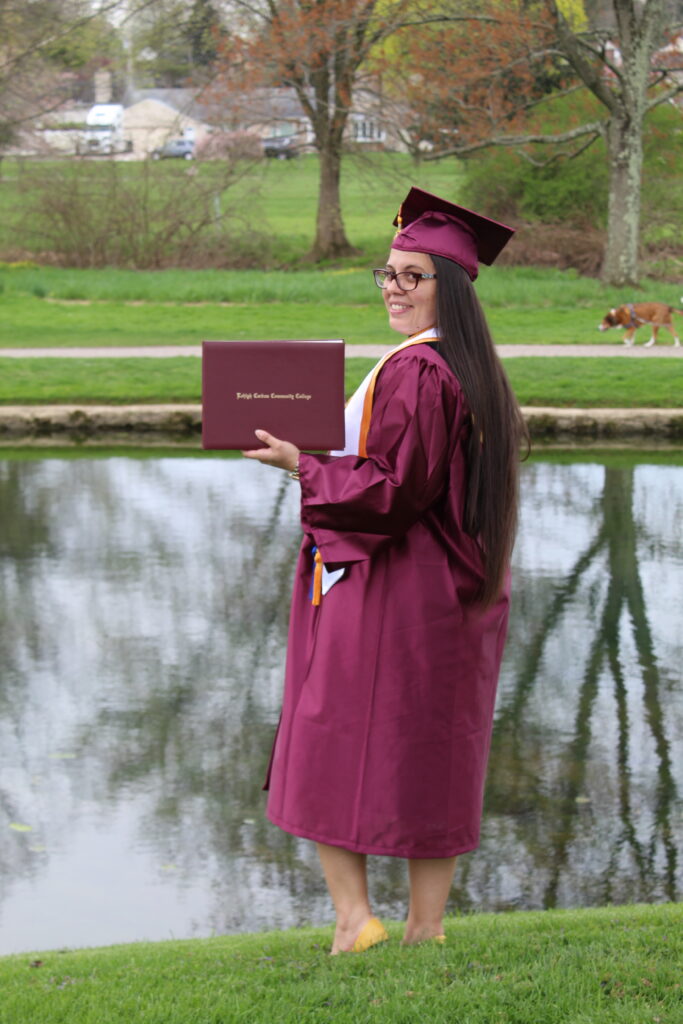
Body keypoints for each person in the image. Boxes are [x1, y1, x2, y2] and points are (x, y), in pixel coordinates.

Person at [243, 187, 528, 954]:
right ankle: (424, 930)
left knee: (328, 736)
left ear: (452, 288)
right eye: (388, 274)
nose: (394, 289)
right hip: (453, 591)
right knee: (433, 747)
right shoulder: (470, 371)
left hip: (390, 590)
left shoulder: (420, 373)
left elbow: (391, 492)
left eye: (414, 276)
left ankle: (353, 920)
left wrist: (300, 465)